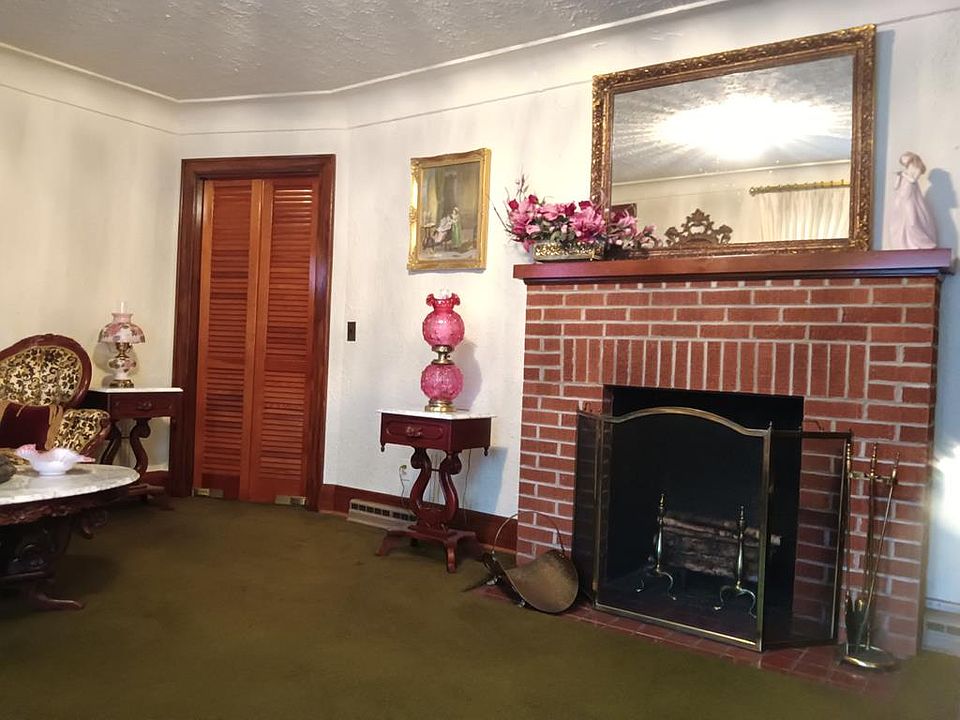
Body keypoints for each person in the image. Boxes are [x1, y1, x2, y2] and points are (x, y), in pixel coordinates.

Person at [888, 151, 937, 250]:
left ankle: (922, 243)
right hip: (901, 198)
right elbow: (896, 187)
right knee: (899, 222)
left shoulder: (917, 169)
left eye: (905, 161)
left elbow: (913, 180)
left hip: (910, 198)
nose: (904, 164)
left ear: (911, 159)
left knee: (912, 221)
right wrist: (898, 176)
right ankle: (903, 244)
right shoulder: (905, 171)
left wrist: (904, 174)